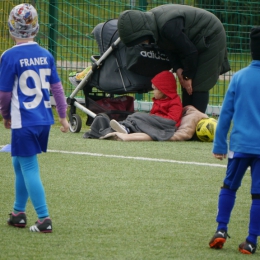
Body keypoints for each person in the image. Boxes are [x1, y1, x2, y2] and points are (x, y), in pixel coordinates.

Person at [0, 4, 69, 233]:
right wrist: (63, 116)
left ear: (10, 28)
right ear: (37, 28)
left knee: (29, 166)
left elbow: (5, 93)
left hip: (24, 120)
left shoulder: (9, 56)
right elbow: (57, 89)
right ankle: (18, 213)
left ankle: (43, 218)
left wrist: (5, 115)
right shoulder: (46, 54)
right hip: (43, 120)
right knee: (18, 161)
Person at [117, 4, 231, 113]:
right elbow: (169, 47)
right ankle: (187, 123)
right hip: (191, 43)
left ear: (141, 32)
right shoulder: (154, 25)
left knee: (199, 84)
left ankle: (195, 124)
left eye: (140, 40)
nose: (142, 43)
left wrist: (187, 75)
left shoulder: (167, 27)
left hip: (210, 35)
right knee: (187, 87)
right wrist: (178, 69)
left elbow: (190, 51)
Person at [208, 27, 260, 254]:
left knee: (229, 186)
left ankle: (221, 229)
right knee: (258, 194)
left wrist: (220, 144)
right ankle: (250, 241)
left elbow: (225, 114)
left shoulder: (239, 78)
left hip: (239, 146)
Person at [109, 70, 183, 138]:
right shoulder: (158, 100)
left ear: (163, 90)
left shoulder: (174, 102)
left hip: (165, 125)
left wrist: (153, 117)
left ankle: (127, 128)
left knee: (138, 116)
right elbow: (152, 115)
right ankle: (124, 126)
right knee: (136, 117)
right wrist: (151, 118)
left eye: (155, 89)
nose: (153, 92)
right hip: (156, 122)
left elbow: (172, 120)